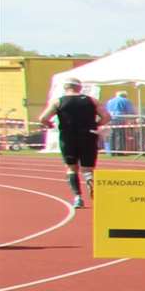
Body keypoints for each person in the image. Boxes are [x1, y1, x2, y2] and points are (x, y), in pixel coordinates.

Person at [39, 78, 103, 207]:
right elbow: (107, 116)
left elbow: (43, 118)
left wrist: (50, 125)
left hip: (68, 137)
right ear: (79, 88)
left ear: (65, 87)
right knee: (87, 168)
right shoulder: (91, 100)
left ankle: (78, 197)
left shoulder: (58, 101)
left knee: (71, 167)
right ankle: (89, 179)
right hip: (88, 135)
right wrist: (96, 124)